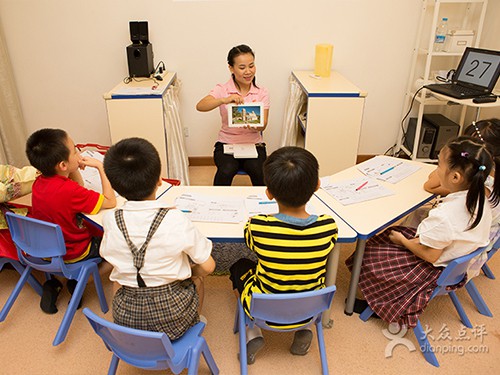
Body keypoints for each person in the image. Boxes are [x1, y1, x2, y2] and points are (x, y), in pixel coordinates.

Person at [346, 136, 499, 328]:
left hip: (433, 270)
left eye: (439, 165)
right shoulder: (482, 196)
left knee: (367, 254)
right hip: (456, 263)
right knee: (390, 233)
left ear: (455, 177)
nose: (436, 169)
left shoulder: (446, 216)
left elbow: (430, 255)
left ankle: (383, 302)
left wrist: (404, 242)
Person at [229, 146, 338, 364]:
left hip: (264, 307)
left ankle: (253, 333)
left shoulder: (259, 226)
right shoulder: (328, 226)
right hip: (310, 308)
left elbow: (249, 241)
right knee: (306, 273)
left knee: (239, 266)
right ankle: (304, 328)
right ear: (316, 186)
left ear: (268, 192)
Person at [100, 137, 215, 340]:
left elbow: (111, 258)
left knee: (117, 281)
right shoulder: (175, 219)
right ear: (159, 180)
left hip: (126, 321)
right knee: (197, 278)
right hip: (173, 318)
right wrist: (190, 273)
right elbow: (208, 266)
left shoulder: (110, 219)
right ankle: (193, 322)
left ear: (116, 187)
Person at [25, 128, 117, 314]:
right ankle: (80, 280)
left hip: (44, 250)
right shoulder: (70, 192)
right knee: (116, 246)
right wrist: (100, 166)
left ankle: (55, 282)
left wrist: (73, 168)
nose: (79, 153)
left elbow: (76, 186)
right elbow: (110, 201)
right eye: (75, 150)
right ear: (62, 165)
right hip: (74, 251)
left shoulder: (39, 183)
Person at [196, 44, 270, 186]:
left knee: (258, 171)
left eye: (251, 66)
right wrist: (224, 100)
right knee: (226, 170)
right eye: (242, 68)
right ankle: (218, 204)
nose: (248, 71)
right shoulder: (222, 89)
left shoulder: (262, 92)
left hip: (254, 144)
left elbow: (264, 125)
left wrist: (255, 125)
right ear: (231, 68)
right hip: (226, 143)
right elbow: (200, 106)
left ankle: (263, 206)